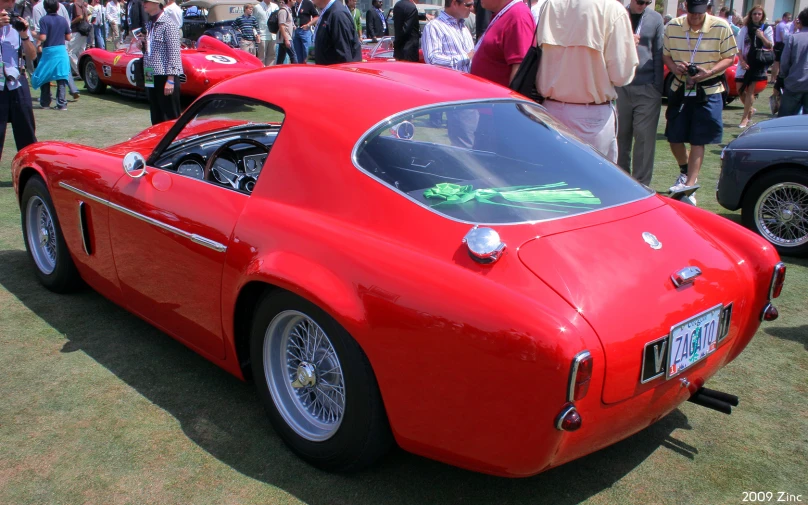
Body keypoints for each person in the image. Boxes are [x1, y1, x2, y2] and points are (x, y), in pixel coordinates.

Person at [535, 0, 637, 162]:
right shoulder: (611, 9)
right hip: (590, 116)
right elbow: (621, 75)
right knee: (595, 182)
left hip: (550, 109)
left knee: (554, 180)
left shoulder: (550, 5)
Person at [663, 0, 737, 203]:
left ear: (708, 9)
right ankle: (685, 171)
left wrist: (710, 71)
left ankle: (690, 186)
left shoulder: (721, 26)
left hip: (709, 88)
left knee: (699, 138)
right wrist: (674, 67)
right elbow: (666, 55)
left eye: (699, 13)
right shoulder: (673, 26)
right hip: (681, 88)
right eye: (691, 12)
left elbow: (730, 57)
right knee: (674, 136)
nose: (694, 17)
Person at [616, 0, 663, 186]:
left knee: (644, 137)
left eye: (647, 2)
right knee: (620, 136)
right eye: (639, 1)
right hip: (621, 85)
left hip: (647, 86)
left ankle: (641, 184)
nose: (642, 5)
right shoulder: (619, 14)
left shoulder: (655, 19)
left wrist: (657, 86)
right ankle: (621, 180)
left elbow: (659, 52)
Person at [421, 0, 475, 147]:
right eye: (468, 4)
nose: (472, 8)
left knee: (470, 138)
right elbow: (432, 59)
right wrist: (465, 57)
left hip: (471, 90)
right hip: (454, 93)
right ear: (454, 3)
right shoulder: (434, 27)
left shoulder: (463, 27)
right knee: (464, 141)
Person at [0, 0, 37, 165]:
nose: (10, 4)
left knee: (26, 131)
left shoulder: (17, 23)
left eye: (12, 1)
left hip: (17, 82)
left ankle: (30, 170)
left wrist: (25, 35)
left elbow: (33, 55)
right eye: (6, 1)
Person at [469, 0, 533, 87]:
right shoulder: (503, 14)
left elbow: (520, 69)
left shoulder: (518, 16)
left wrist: (512, 100)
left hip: (496, 98)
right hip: (484, 95)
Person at [139, 0, 181, 124]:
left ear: (157, 3)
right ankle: (158, 141)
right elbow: (150, 50)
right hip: (150, 72)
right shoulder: (149, 24)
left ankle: (173, 142)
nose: (144, 4)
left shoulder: (169, 24)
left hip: (164, 74)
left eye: (147, 1)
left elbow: (174, 53)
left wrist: (170, 79)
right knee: (155, 112)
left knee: (169, 115)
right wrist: (142, 45)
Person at [736, 6, 773, 127]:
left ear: (762, 16)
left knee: (751, 90)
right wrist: (741, 61)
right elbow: (739, 47)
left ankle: (745, 118)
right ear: (751, 15)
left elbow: (770, 46)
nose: (757, 16)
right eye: (754, 14)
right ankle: (750, 109)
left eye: (759, 14)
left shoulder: (767, 28)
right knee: (739, 88)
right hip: (744, 61)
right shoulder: (745, 29)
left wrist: (761, 36)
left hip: (756, 63)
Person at [33, 0, 72, 110]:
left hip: (49, 52)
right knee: (61, 77)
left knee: (45, 76)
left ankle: (45, 102)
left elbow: (43, 37)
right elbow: (68, 37)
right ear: (58, 7)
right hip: (61, 50)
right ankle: (61, 103)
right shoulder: (63, 20)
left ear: (45, 8)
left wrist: (34, 35)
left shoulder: (44, 20)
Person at [778, 8, 807, 116]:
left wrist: (783, 76)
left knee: (785, 120)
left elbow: (784, 61)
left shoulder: (793, 38)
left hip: (794, 83)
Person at [67, 0, 88, 76]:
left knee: (70, 52)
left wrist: (70, 23)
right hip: (84, 30)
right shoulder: (83, 4)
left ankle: (80, 71)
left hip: (77, 30)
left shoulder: (76, 4)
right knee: (81, 52)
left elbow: (80, 16)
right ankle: (86, 72)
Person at [253, 0, 276, 65]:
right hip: (262, 34)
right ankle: (261, 71)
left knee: (272, 56)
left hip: (273, 35)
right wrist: (256, 34)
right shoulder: (257, 7)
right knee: (261, 57)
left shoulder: (275, 6)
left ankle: (270, 72)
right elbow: (254, 22)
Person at [772, 12, 792, 83]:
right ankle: (775, 79)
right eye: (788, 18)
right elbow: (782, 36)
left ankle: (773, 79)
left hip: (777, 44)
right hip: (780, 44)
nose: (789, 19)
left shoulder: (779, 24)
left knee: (776, 62)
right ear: (784, 17)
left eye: (790, 18)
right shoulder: (783, 25)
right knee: (778, 63)